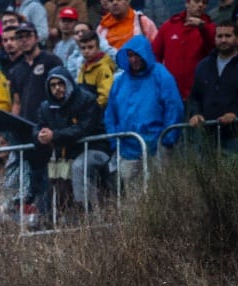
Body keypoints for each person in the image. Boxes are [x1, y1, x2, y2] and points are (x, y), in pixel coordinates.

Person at [104, 36, 184, 186]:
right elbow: (110, 114)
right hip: (127, 148)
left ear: (145, 54)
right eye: (130, 55)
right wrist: (115, 142)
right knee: (132, 197)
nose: (133, 60)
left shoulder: (161, 75)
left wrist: (168, 139)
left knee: (160, 191)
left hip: (157, 145)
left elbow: (174, 106)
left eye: (137, 55)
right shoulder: (120, 81)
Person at [33, 67, 110, 212]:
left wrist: (54, 135)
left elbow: (82, 129)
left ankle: (85, 211)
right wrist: (40, 135)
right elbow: (38, 126)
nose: (57, 88)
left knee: (78, 166)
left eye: (60, 84)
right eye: (53, 85)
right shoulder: (46, 106)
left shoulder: (86, 99)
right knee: (49, 174)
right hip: (67, 153)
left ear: (68, 83)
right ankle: (51, 218)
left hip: (94, 148)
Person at [187, 22, 238, 152]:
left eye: (228, 36)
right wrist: (196, 113)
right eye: (219, 36)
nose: (223, 40)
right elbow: (195, 97)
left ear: (237, 38)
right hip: (208, 137)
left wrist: (237, 114)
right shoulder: (203, 66)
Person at [153, 0, 217, 100]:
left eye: (204, 3)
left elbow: (214, 49)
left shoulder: (210, 28)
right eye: (196, 1)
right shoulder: (168, 26)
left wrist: (202, 27)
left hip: (199, 93)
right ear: (187, 3)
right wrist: (160, 79)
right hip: (171, 92)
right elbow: (155, 55)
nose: (200, 5)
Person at [9, 23, 64, 123]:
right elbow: (17, 103)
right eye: (20, 37)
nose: (24, 40)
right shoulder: (16, 70)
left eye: (28, 36)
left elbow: (62, 94)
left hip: (49, 123)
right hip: (25, 125)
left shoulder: (51, 61)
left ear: (37, 38)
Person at [77, 29, 118, 108]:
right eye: (83, 48)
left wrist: (92, 109)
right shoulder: (84, 66)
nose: (86, 51)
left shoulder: (103, 68)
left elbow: (105, 96)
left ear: (98, 47)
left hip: (97, 113)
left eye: (90, 47)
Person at [53, 7, 83, 76]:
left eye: (69, 21)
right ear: (59, 22)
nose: (66, 24)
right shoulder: (58, 45)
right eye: (63, 20)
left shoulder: (77, 42)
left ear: (76, 23)